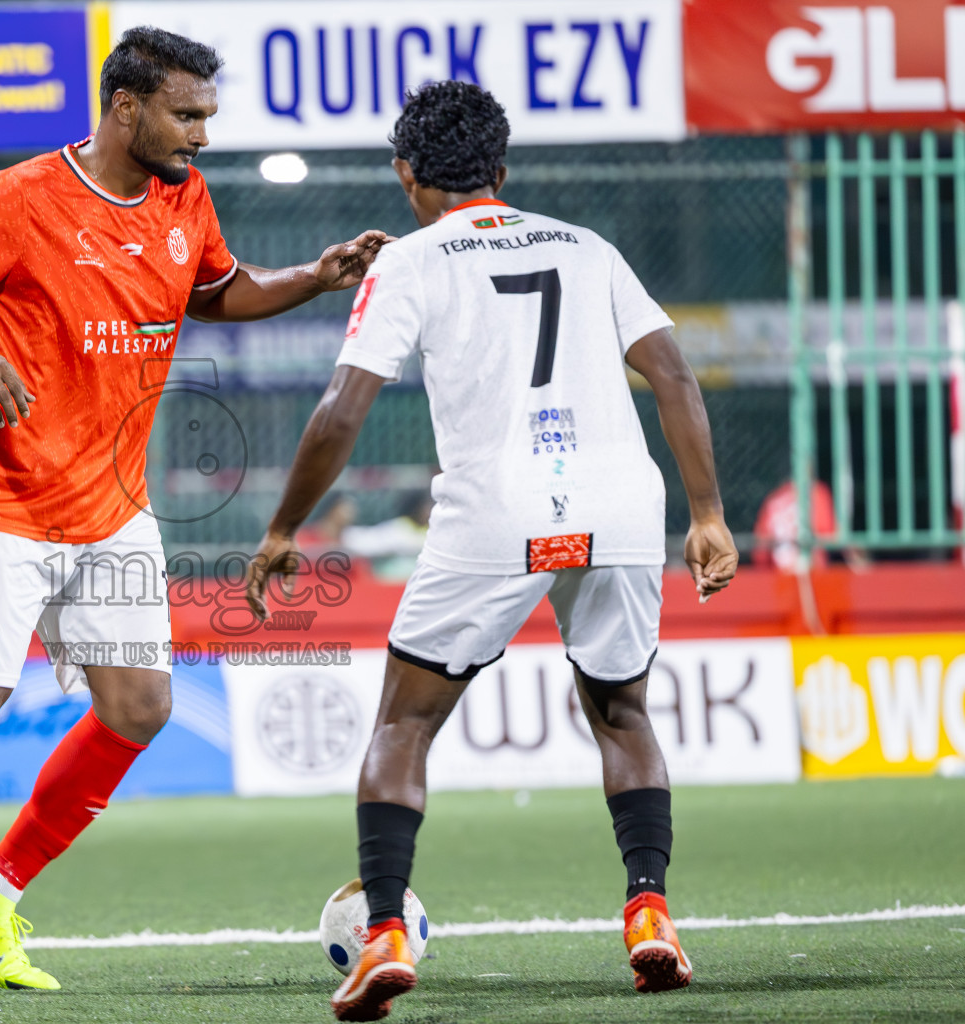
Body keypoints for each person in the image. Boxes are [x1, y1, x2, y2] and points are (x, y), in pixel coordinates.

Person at [0, 26, 390, 998]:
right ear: (126, 107)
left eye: (208, 116)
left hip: (112, 507)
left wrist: (314, 277)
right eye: (187, 115)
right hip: (2, 496)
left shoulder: (187, 195)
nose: (202, 134)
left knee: (141, 706)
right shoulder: (22, 198)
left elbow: (219, 294)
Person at [245, 82, 737, 1021]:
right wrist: (708, 513)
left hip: (495, 514)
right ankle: (650, 914)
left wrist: (281, 531)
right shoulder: (588, 247)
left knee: (403, 727)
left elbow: (341, 408)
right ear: (502, 172)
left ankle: (385, 930)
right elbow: (671, 372)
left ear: (405, 174)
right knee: (624, 714)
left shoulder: (413, 262)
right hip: (620, 507)